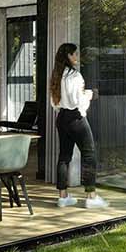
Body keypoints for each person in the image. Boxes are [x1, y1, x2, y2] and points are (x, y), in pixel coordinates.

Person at [49, 41, 106, 210]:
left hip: (62, 118)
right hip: (75, 118)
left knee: (64, 157)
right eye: (74, 54)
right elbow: (78, 101)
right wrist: (88, 95)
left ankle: (63, 197)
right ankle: (91, 196)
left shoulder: (56, 75)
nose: (77, 57)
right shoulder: (75, 76)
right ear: (68, 56)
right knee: (89, 154)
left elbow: (55, 102)